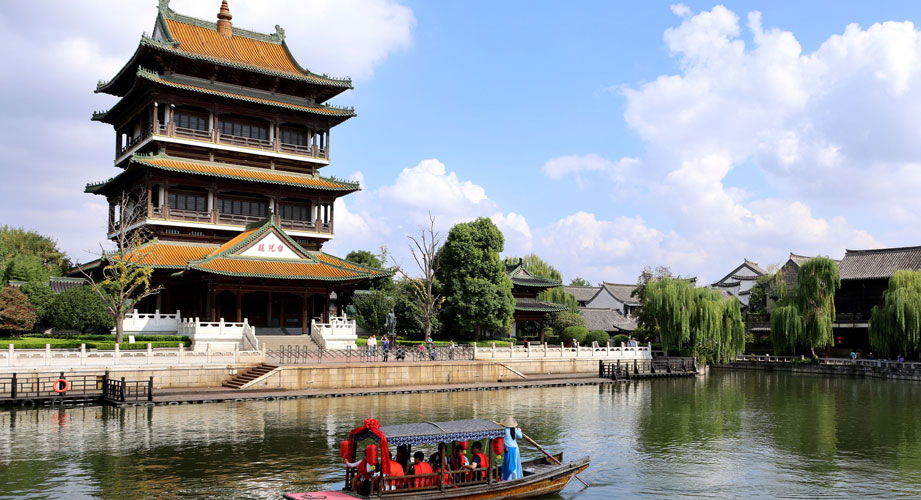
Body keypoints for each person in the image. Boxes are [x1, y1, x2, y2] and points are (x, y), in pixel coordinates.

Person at [499, 416, 524, 481]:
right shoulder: (514, 429)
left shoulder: (503, 430)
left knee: (509, 465)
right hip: (515, 449)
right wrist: (519, 431)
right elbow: (520, 436)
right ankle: (515, 477)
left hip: (509, 449)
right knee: (514, 464)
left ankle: (510, 479)